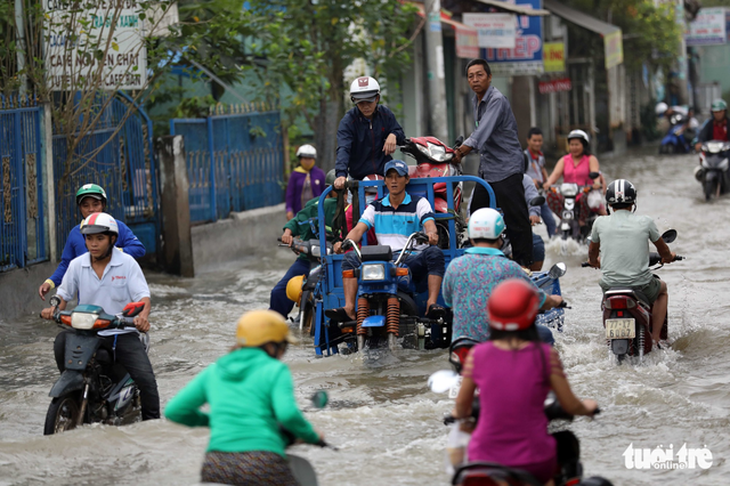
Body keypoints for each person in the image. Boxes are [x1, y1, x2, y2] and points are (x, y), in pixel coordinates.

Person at [454, 279, 598, 485]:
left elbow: (461, 407)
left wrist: (457, 416)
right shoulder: (545, 355)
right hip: (533, 460)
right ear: (532, 313)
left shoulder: (478, 354)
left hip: (481, 460)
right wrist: (588, 407)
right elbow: (570, 404)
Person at [164, 310, 322, 486]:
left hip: (216, 463)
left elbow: (174, 411)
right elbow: (288, 415)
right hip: (262, 460)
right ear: (271, 346)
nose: (283, 353)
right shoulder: (275, 369)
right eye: (283, 346)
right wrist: (312, 436)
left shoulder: (214, 371)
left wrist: (213, 420)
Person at [40, 212, 159, 420]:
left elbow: (143, 298)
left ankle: (153, 426)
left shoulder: (128, 263)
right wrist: (54, 308)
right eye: (89, 238)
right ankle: (73, 394)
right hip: (87, 333)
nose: (93, 244)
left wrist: (142, 318)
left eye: (99, 238)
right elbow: (63, 295)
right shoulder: (77, 264)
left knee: (147, 381)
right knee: (61, 341)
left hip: (121, 331)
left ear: (112, 239)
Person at [327, 160, 443, 322]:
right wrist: (344, 242)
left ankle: (431, 303)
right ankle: (349, 308)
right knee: (350, 258)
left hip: (412, 258)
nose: (394, 181)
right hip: (385, 260)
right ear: (385, 181)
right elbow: (358, 229)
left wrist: (431, 233)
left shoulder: (419, 203)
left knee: (434, 253)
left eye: (398, 177)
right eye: (390, 177)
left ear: (407, 180)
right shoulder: (376, 206)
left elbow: (429, 223)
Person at [452, 58, 533, 268]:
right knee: (476, 216)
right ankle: (479, 262)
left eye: (479, 75)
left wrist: (462, 151)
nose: (475, 79)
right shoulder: (476, 100)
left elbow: (482, 131)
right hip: (487, 170)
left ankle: (524, 265)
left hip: (506, 167)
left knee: (517, 220)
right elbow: (480, 135)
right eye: (471, 76)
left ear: (489, 77)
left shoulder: (496, 99)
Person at [443, 208, 562, 346]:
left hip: (461, 345)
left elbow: (448, 300)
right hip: (498, 344)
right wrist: (554, 301)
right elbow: (538, 300)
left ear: (470, 238)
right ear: (500, 238)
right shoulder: (509, 268)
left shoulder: (455, 266)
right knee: (546, 335)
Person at [588, 180, 676, 346]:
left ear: (609, 203)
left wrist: (593, 262)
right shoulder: (646, 222)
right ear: (633, 202)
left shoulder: (599, 222)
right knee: (662, 289)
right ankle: (656, 338)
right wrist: (669, 257)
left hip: (610, 285)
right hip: (641, 285)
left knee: (605, 300)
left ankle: (609, 336)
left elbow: (592, 253)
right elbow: (663, 251)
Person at [38, 183, 145, 300]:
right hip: (87, 307)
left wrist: (114, 252)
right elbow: (66, 264)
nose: (91, 209)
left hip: (117, 300)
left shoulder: (116, 227)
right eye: (85, 205)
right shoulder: (75, 234)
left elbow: (139, 249)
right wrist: (50, 282)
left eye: (96, 204)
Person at [271, 170, 339, 318]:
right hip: (309, 259)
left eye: (346, 192)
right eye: (338, 191)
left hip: (337, 261)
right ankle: (273, 325)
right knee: (279, 292)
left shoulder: (355, 208)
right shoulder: (316, 205)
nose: (342, 197)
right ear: (329, 190)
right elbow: (297, 220)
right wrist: (288, 234)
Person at [334, 76, 406, 190]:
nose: (366, 106)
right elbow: (343, 148)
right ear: (354, 101)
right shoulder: (348, 122)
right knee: (353, 206)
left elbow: (401, 136)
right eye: (361, 102)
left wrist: (394, 134)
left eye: (369, 101)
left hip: (385, 177)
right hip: (359, 180)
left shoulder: (386, 114)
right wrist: (341, 175)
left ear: (377, 98)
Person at [543, 130, 607, 227]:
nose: (574, 147)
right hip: (567, 197)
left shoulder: (590, 159)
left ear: (584, 145)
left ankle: (582, 221)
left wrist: (596, 184)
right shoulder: (564, 160)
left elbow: (596, 174)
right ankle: (564, 219)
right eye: (571, 145)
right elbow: (554, 176)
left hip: (585, 195)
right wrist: (547, 184)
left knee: (605, 215)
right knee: (550, 196)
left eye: (577, 144)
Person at [524, 127, 557, 237]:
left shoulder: (540, 156)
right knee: (527, 224)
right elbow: (519, 177)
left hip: (541, 196)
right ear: (528, 140)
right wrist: (531, 181)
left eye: (539, 141)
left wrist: (547, 182)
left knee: (551, 223)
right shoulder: (523, 157)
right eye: (534, 140)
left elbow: (542, 170)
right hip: (528, 198)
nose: (537, 143)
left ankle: (554, 244)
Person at [285, 144, 326, 220]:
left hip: (317, 213)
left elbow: (325, 193)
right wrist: (289, 210)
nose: (308, 161)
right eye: (305, 158)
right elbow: (290, 194)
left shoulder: (320, 174)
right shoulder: (295, 174)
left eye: (310, 158)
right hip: (299, 213)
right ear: (300, 159)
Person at [522, 173, 546, 272]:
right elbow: (474, 202)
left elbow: (532, 197)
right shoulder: (485, 178)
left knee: (537, 245)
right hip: (488, 229)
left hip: (516, 226)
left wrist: (533, 213)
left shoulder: (524, 179)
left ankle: (532, 277)